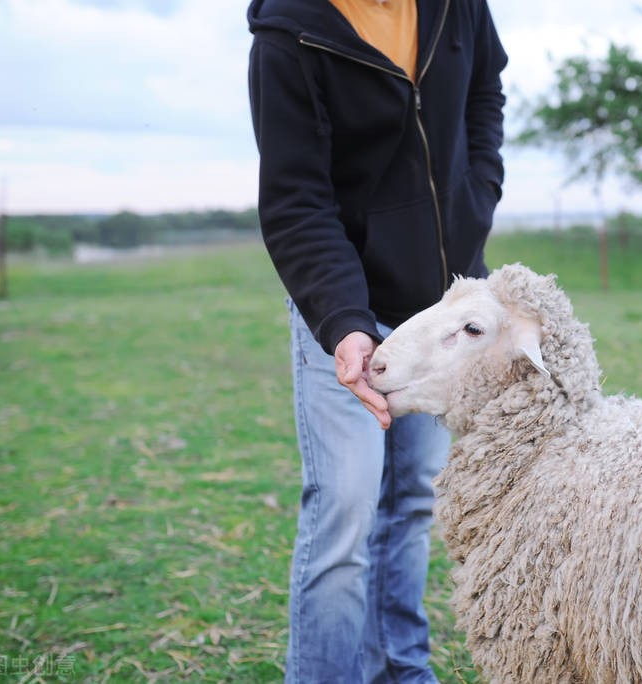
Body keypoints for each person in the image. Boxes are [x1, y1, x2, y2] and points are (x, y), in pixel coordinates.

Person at [247, 0, 507, 681]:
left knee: (414, 501)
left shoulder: (460, 6)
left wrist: (478, 190)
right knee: (345, 514)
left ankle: (401, 669)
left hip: (440, 311)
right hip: (346, 310)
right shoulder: (288, 33)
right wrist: (344, 322)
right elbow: (294, 201)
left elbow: (486, 88)